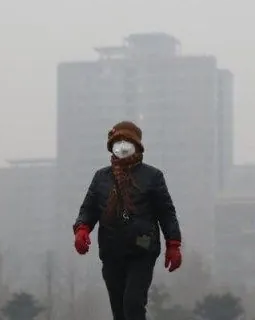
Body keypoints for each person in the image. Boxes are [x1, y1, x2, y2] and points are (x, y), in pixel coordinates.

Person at [72, 120, 183, 320]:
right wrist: (82, 229)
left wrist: (173, 244)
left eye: (127, 141)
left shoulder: (152, 176)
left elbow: (166, 212)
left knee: (133, 303)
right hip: (111, 250)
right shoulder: (101, 178)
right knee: (119, 309)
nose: (122, 145)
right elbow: (89, 208)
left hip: (142, 248)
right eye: (118, 141)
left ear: (137, 146)